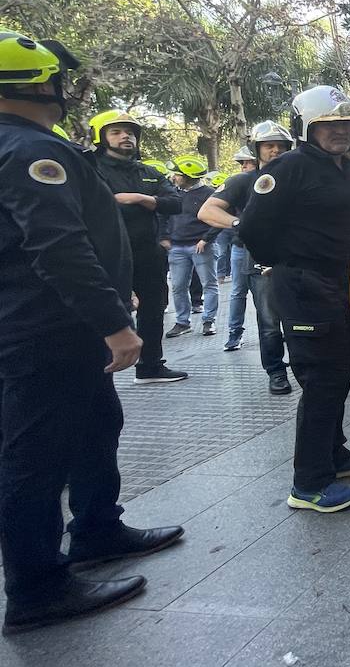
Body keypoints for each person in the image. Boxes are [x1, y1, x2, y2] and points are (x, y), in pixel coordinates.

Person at [0, 32, 182, 636]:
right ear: (41, 82)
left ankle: (98, 529)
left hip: (56, 324)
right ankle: (37, 587)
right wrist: (114, 324)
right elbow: (57, 246)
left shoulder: (25, 144)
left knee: (95, 424)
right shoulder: (27, 149)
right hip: (47, 328)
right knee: (36, 458)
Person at [237, 87, 350, 513]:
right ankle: (309, 483)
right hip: (305, 288)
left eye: (345, 124)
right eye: (328, 125)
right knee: (320, 383)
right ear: (306, 128)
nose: (339, 131)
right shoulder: (288, 168)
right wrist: (289, 263)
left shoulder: (349, 170)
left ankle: (335, 455)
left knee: (338, 376)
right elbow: (253, 229)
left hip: (340, 286)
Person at [86, 109, 188, 385]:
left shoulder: (149, 172)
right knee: (110, 307)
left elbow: (175, 203)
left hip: (147, 252)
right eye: (116, 132)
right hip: (106, 253)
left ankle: (151, 366)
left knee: (154, 308)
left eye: (129, 132)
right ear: (100, 137)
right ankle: (98, 369)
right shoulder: (87, 167)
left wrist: (140, 198)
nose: (125, 137)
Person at [197, 121, 294, 393]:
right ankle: (276, 372)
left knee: (300, 319)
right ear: (258, 149)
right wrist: (240, 225)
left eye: (281, 146)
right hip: (258, 259)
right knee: (269, 322)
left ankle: (304, 369)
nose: (275, 151)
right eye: (269, 145)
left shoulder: (300, 177)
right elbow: (207, 211)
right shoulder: (244, 180)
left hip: (298, 258)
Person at [162, 155, 221, 338]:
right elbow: (163, 215)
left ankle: (208, 321)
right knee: (178, 286)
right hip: (177, 247)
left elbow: (219, 219)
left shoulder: (209, 194)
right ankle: (182, 322)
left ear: (187, 176)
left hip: (202, 246)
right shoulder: (174, 193)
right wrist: (165, 237)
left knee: (209, 284)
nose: (174, 177)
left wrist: (206, 239)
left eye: (178, 174)